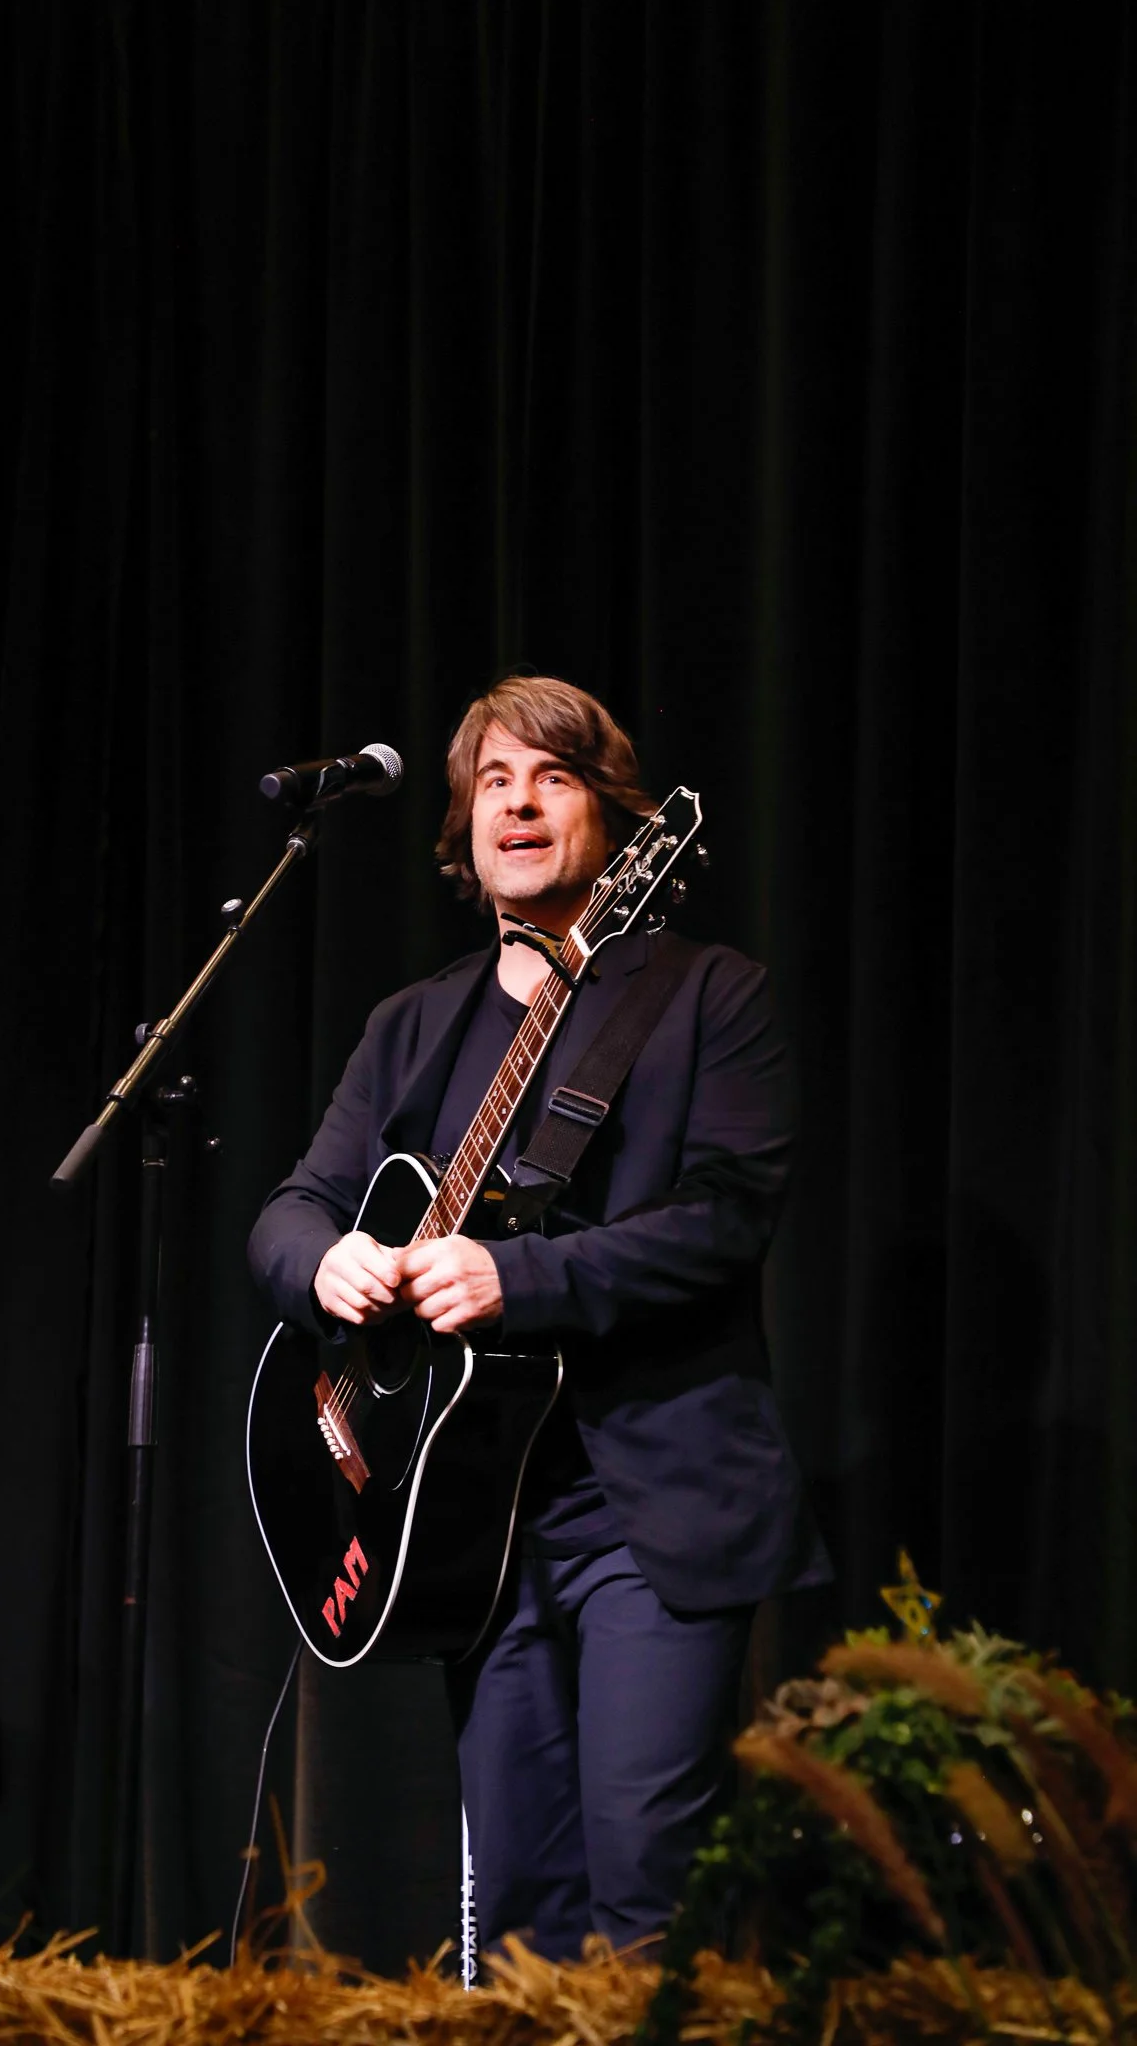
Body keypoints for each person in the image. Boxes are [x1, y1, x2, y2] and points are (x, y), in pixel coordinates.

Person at [248, 674, 830, 1960]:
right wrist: (328, 1261)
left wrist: (528, 1277)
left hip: (647, 1505)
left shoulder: (708, 995)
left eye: (552, 776)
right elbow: (292, 1206)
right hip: (470, 1522)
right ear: (461, 830)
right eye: (491, 781)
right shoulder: (412, 1025)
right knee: (515, 1914)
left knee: (649, 1891)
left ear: (613, 824)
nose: (516, 800)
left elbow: (730, 1217)